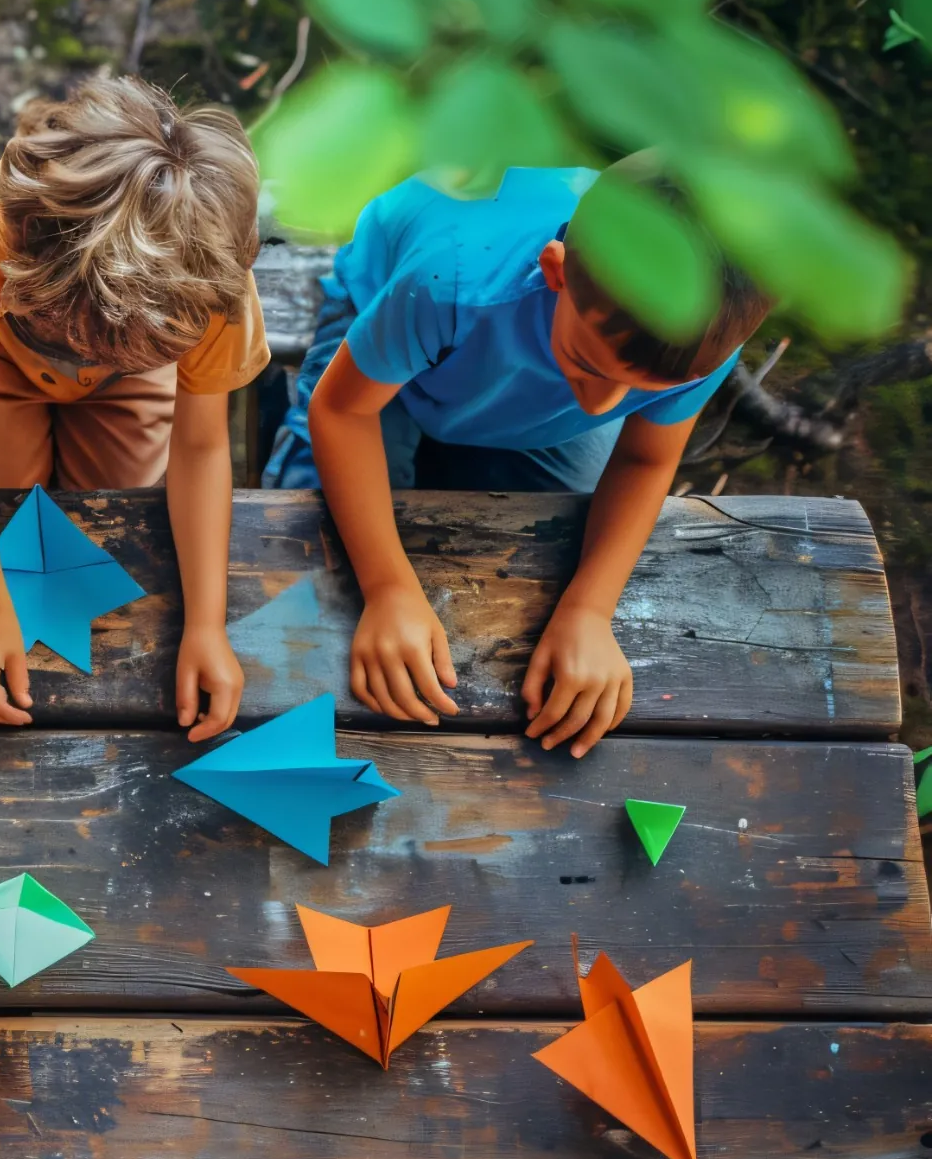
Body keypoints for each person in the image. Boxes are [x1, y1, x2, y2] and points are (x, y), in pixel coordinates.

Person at [262, 163, 773, 757]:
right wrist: (388, 589)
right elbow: (344, 414)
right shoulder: (446, 280)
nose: (602, 402)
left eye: (642, 390)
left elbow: (642, 462)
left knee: (556, 530)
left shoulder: (700, 335)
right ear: (556, 271)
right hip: (385, 345)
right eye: (588, 365)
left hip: (500, 373)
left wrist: (589, 611)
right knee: (300, 556)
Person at [0, 76, 265, 742]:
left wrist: (207, 626)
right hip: (2, 358)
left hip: (138, 365)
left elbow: (203, 445)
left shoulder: (211, 277)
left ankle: (129, 369)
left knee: (117, 503)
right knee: (9, 517)